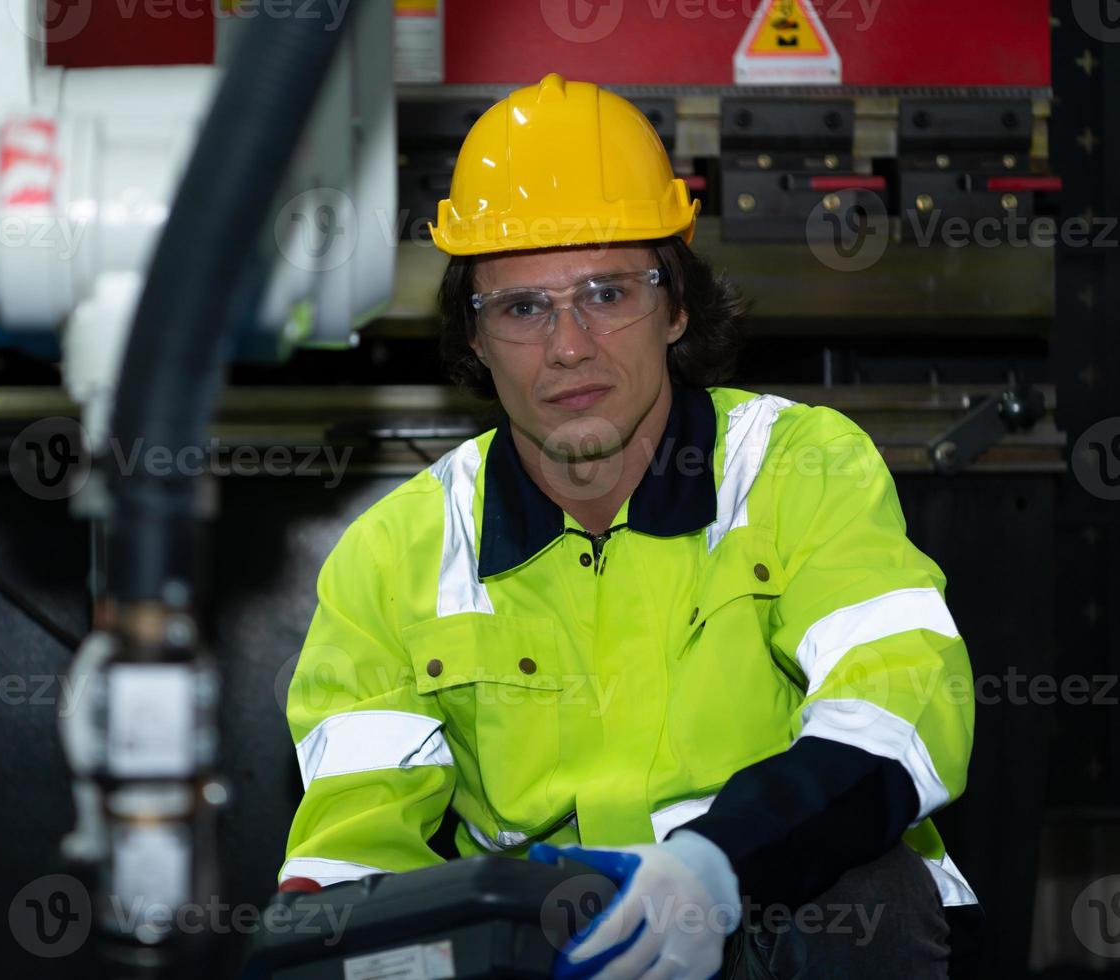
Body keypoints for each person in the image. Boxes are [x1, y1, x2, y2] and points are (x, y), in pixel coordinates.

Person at [278, 73, 980, 979]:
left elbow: (901, 710)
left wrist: (714, 868)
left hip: (783, 925)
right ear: (475, 338)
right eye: (523, 307)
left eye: (608, 293)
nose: (570, 345)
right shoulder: (391, 556)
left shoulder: (800, 464)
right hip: (553, 949)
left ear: (676, 305)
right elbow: (355, 847)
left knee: (867, 894)